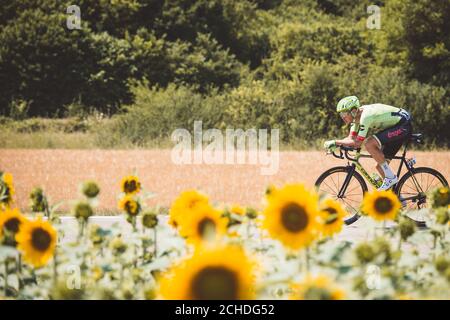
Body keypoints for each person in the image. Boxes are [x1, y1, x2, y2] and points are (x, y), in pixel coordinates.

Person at [324, 96, 412, 191]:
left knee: (369, 143)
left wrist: (336, 141)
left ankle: (390, 178)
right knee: (381, 167)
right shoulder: (355, 120)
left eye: (344, 113)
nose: (343, 117)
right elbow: (351, 138)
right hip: (395, 126)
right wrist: (337, 145)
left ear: (353, 111)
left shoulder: (366, 117)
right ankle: (398, 198)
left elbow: (357, 143)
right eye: (341, 114)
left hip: (403, 124)